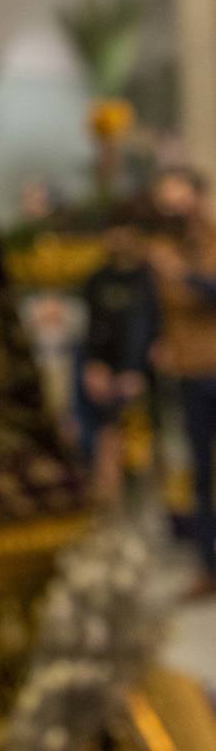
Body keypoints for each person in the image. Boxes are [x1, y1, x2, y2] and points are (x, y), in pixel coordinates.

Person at [147, 166, 216, 597]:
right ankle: (209, 565)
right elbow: (151, 310)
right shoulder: (160, 250)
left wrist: (182, 275)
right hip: (189, 374)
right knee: (199, 473)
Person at [78, 212, 160, 505]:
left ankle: (154, 513)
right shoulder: (97, 279)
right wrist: (93, 365)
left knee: (148, 445)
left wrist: (138, 369)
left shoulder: (151, 277)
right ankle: (110, 512)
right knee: (108, 439)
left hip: (146, 377)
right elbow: (92, 328)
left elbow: (155, 328)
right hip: (107, 374)